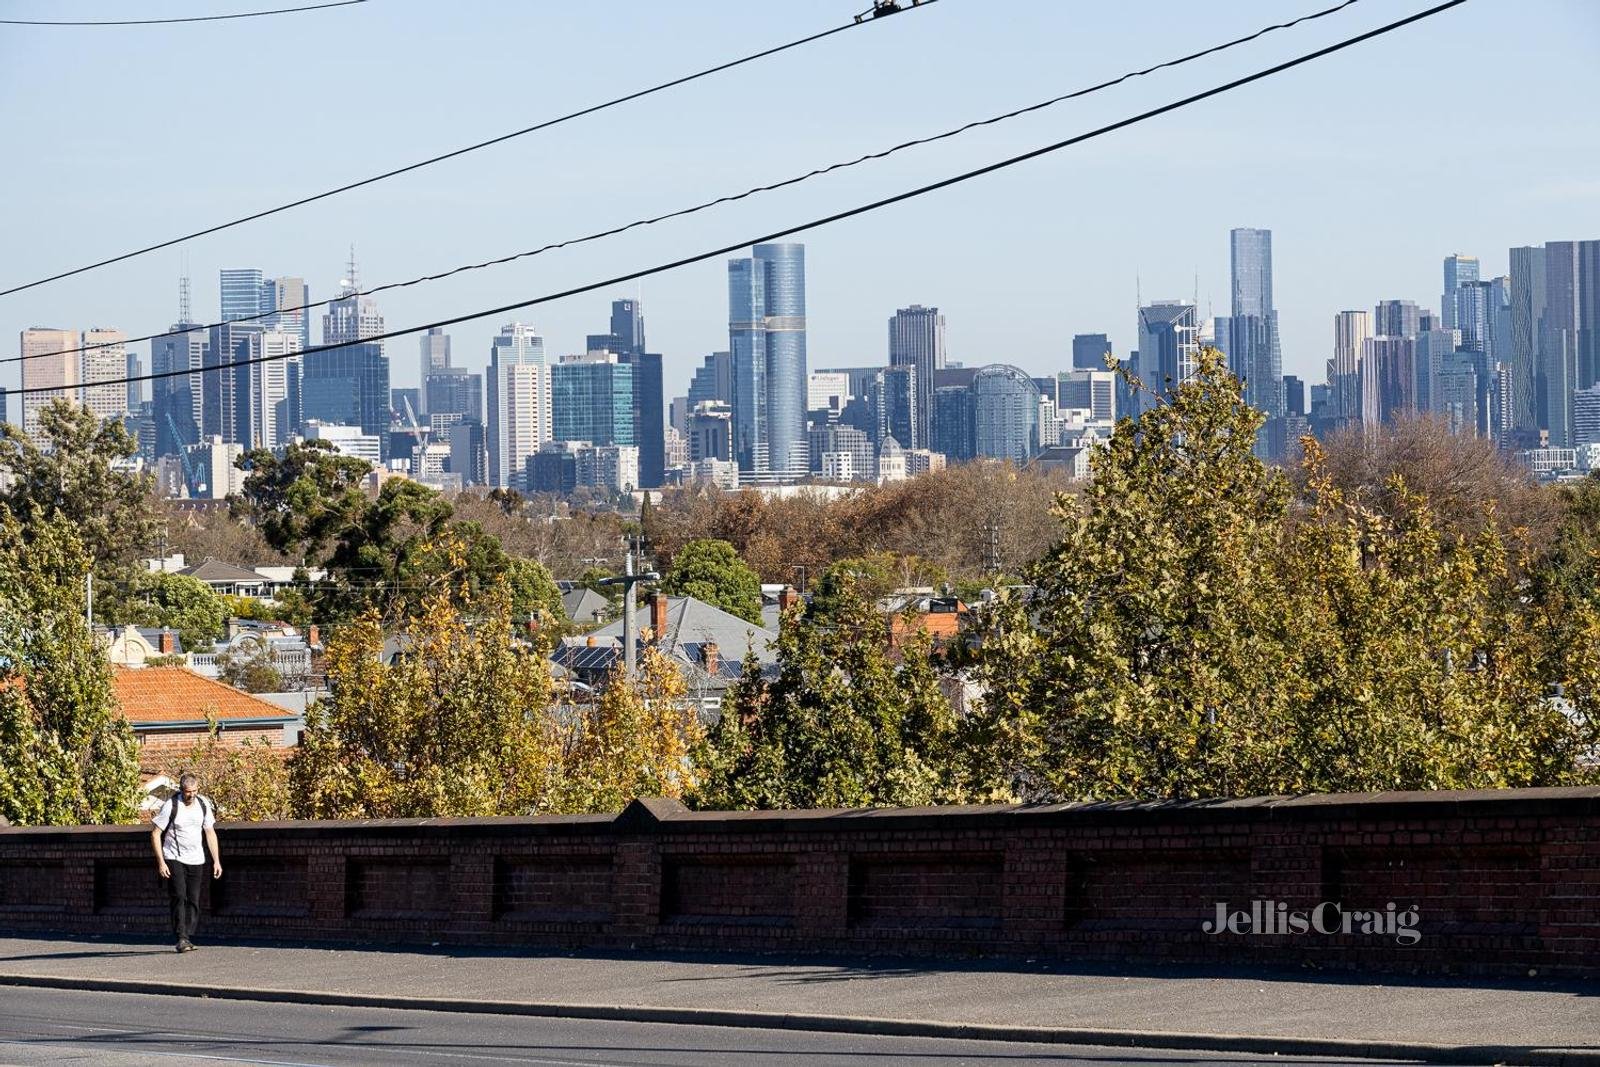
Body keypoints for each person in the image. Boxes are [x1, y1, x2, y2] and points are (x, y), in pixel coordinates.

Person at [150, 772, 223, 953]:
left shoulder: (203, 804)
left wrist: (216, 861)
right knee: (179, 896)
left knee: (194, 899)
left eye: (194, 791)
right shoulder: (171, 806)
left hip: (196, 858)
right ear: (181, 790)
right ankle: (181, 937)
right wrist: (161, 862)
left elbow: (210, 832)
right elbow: (155, 834)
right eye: (187, 791)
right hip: (174, 856)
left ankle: (187, 935)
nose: (191, 795)